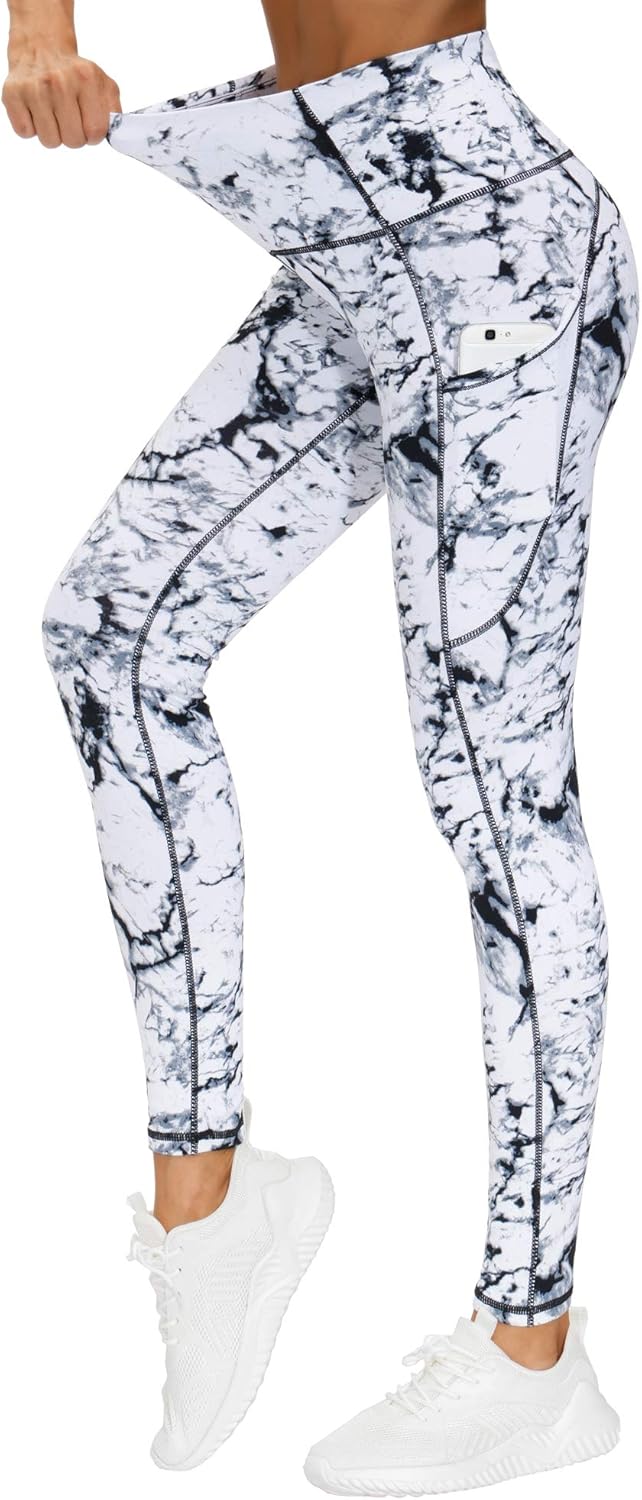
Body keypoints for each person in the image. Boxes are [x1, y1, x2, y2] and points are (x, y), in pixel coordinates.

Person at [3, 0, 638, 1489]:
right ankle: (214, 1205)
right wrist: (40, 24)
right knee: (112, 636)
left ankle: (531, 1350)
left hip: (485, 250)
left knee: (498, 795)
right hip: (353, 248)